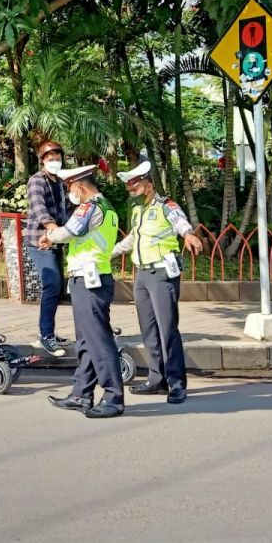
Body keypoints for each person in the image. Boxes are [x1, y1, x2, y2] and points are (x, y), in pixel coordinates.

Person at [113, 159, 202, 404]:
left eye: (136, 188)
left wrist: (188, 234)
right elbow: (133, 238)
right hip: (142, 275)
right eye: (130, 190)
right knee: (149, 330)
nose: (132, 193)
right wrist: (109, 253)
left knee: (167, 330)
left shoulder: (166, 205)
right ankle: (156, 379)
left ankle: (176, 384)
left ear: (149, 185)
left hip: (162, 274)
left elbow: (179, 221)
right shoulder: (138, 210)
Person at [46, 165, 125, 418]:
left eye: (70, 187)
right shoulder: (108, 208)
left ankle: (113, 398)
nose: (71, 193)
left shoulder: (90, 206)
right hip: (92, 278)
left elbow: (70, 231)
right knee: (87, 341)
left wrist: (50, 234)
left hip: (91, 280)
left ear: (80, 186)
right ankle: (81, 393)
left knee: (99, 341)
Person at [27, 141, 71, 356]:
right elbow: (39, 210)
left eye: (57, 157)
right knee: (51, 284)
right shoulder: (37, 181)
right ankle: (45, 336)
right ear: (42, 160)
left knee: (57, 289)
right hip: (40, 241)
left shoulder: (62, 182)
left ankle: (49, 332)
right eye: (50, 158)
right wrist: (55, 231)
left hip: (56, 240)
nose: (54, 161)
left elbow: (67, 211)